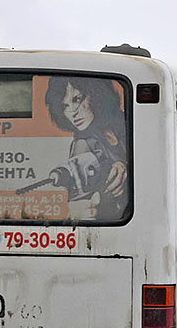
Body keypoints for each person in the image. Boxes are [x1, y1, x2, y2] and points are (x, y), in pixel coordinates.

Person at [44, 76, 128, 220]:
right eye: (65, 106)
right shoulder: (82, 144)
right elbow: (80, 198)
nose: (72, 112)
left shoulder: (123, 121)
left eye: (77, 99)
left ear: (96, 95)